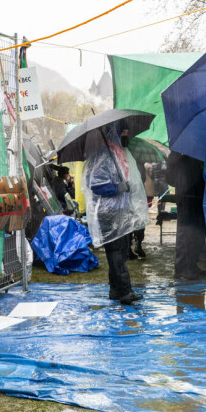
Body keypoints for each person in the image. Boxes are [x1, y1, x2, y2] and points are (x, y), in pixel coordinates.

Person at [81, 126, 149, 304]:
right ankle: (125, 291)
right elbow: (94, 183)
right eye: (124, 132)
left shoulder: (118, 153)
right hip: (108, 212)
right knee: (116, 252)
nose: (127, 135)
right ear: (116, 134)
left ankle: (115, 290)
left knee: (120, 251)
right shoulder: (104, 156)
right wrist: (117, 188)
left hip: (121, 210)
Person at [166, 150, 206, 279]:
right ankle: (182, 268)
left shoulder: (198, 153)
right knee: (186, 233)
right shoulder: (179, 153)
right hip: (187, 197)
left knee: (198, 232)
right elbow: (170, 178)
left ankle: (191, 265)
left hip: (198, 196)